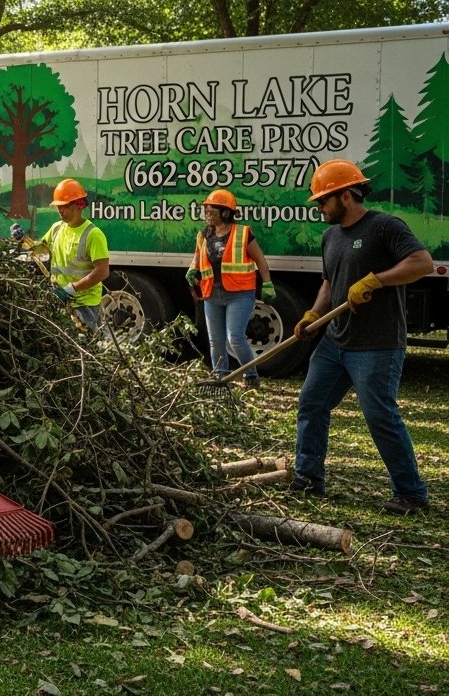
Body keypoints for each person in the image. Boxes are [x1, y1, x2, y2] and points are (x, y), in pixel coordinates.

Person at [289, 159, 432, 515]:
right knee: (311, 403)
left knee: (380, 415)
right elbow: (329, 281)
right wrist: (314, 314)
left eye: (323, 200)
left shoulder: (385, 226)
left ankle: (411, 493)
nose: (319, 207)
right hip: (335, 342)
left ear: (347, 195)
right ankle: (307, 478)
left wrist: (376, 279)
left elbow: (422, 263)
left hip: (377, 344)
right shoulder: (330, 236)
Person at [185, 190, 275, 388]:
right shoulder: (203, 235)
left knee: (234, 337)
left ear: (226, 212)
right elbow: (198, 257)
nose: (207, 211)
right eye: (206, 208)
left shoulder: (243, 233)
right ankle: (221, 379)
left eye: (211, 208)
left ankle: (251, 377)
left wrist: (267, 283)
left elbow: (260, 259)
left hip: (240, 293)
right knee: (215, 340)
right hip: (212, 294)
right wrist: (192, 269)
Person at [11, 178, 110, 330]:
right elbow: (40, 251)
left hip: (85, 305)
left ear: (79, 205)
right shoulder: (57, 228)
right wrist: (23, 239)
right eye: (58, 206)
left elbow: (102, 272)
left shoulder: (93, 235)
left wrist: (71, 289)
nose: (59, 210)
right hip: (60, 299)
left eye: (64, 206)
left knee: (84, 346)